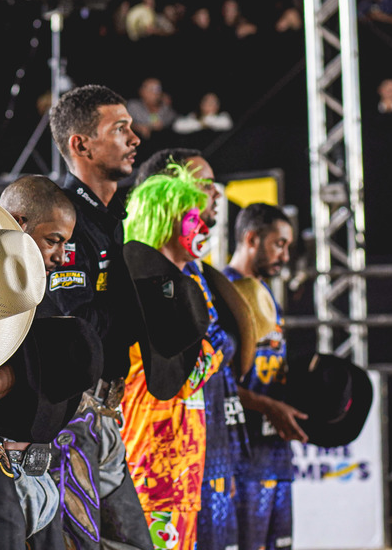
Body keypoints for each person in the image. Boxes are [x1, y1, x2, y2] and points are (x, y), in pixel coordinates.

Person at [40, 84, 153, 550]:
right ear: (81, 145)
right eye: (120, 129)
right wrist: (145, 305)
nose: (134, 138)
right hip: (72, 417)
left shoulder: (119, 217)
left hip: (108, 413)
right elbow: (79, 327)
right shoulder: (62, 218)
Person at [0, 174, 77, 545]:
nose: (61, 256)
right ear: (19, 223)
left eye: (65, 244)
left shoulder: (42, 294)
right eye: (53, 240)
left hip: (39, 471)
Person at [119, 163, 221, 550]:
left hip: (183, 474)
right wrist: (215, 349)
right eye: (192, 217)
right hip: (151, 471)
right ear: (165, 221)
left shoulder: (185, 289)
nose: (202, 226)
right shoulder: (141, 296)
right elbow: (188, 372)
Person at [223, 204, 305, 550]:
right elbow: (215, 381)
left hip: (275, 454)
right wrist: (266, 405)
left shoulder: (267, 293)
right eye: (279, 244)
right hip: (238, 456)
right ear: (252, 238)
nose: (285, 256)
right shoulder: (221, 292)